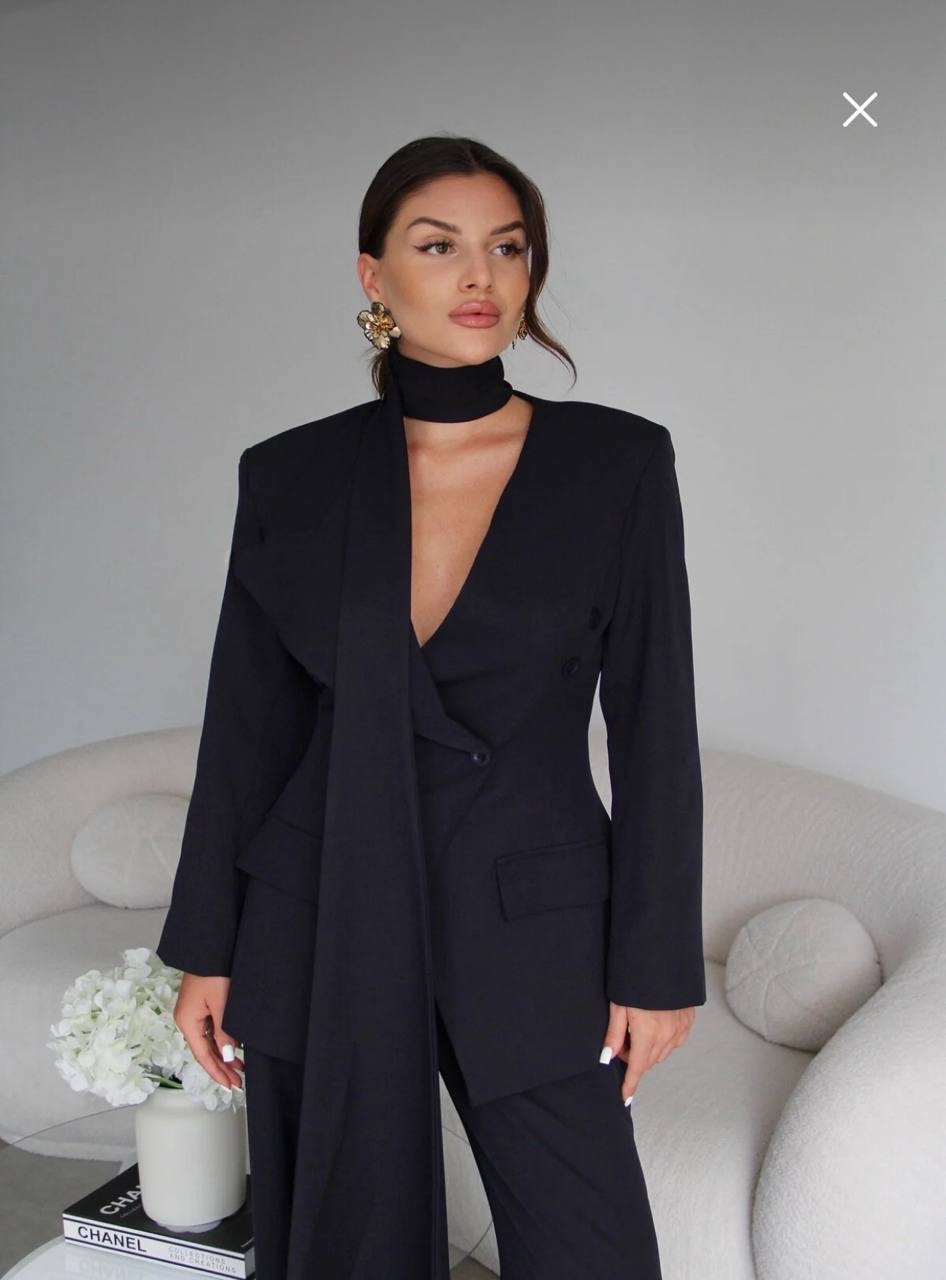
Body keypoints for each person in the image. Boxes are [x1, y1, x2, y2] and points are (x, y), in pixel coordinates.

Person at [157, 133, 706, 1280]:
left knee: (594, 1250)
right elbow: (249, 727)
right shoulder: (291, 476)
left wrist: (654, 962)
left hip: (529, 916)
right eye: (437, 245)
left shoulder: (615, 463)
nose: (480, 276)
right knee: (342, 1244)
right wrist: (208, 945)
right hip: (322, 906)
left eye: (507, 247)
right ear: (373, 274)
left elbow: (655, 727)